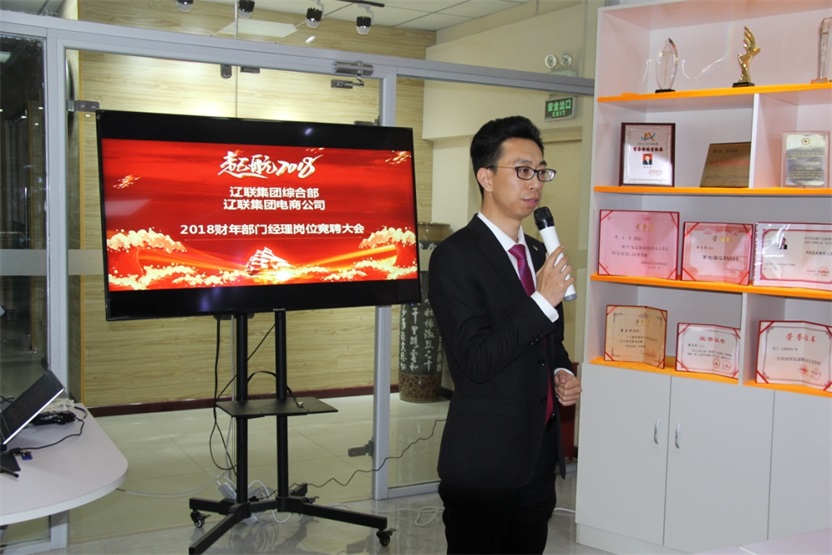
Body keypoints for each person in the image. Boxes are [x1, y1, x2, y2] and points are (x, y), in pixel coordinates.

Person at [428, 115, 582, 554]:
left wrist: (561, 372)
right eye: (523, 170)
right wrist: (542, 300)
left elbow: (551, 342)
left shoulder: (537, 252)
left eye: (541, 171)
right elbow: (476, 360)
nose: (535, 183)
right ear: (486, 177)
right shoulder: (455, 257)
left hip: (537, 458)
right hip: (484, 464)